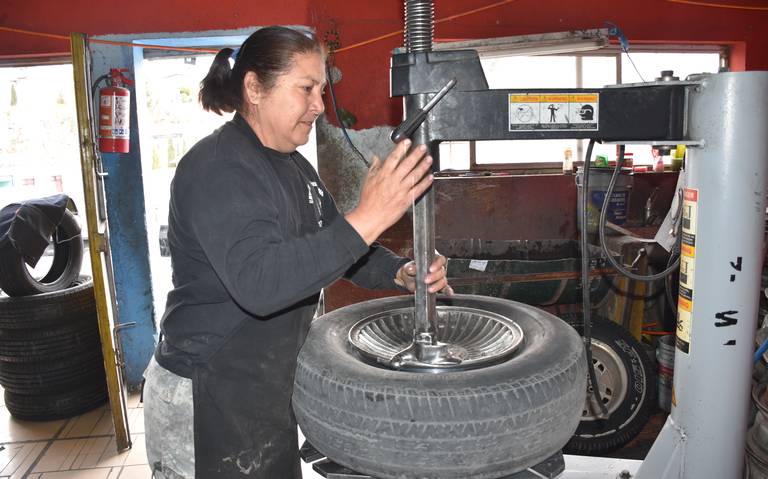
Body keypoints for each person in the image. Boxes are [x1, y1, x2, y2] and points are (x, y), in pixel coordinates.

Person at [143, 26, 452, 479]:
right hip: (206, 393)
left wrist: (399, 270)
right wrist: (368, 215)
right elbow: (261, 285)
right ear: (254, 88)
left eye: (322, 90)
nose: (318, 106)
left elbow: (336, 244)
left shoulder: (295, 167)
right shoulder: (217, 168)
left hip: (262, 389)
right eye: (306, 89)